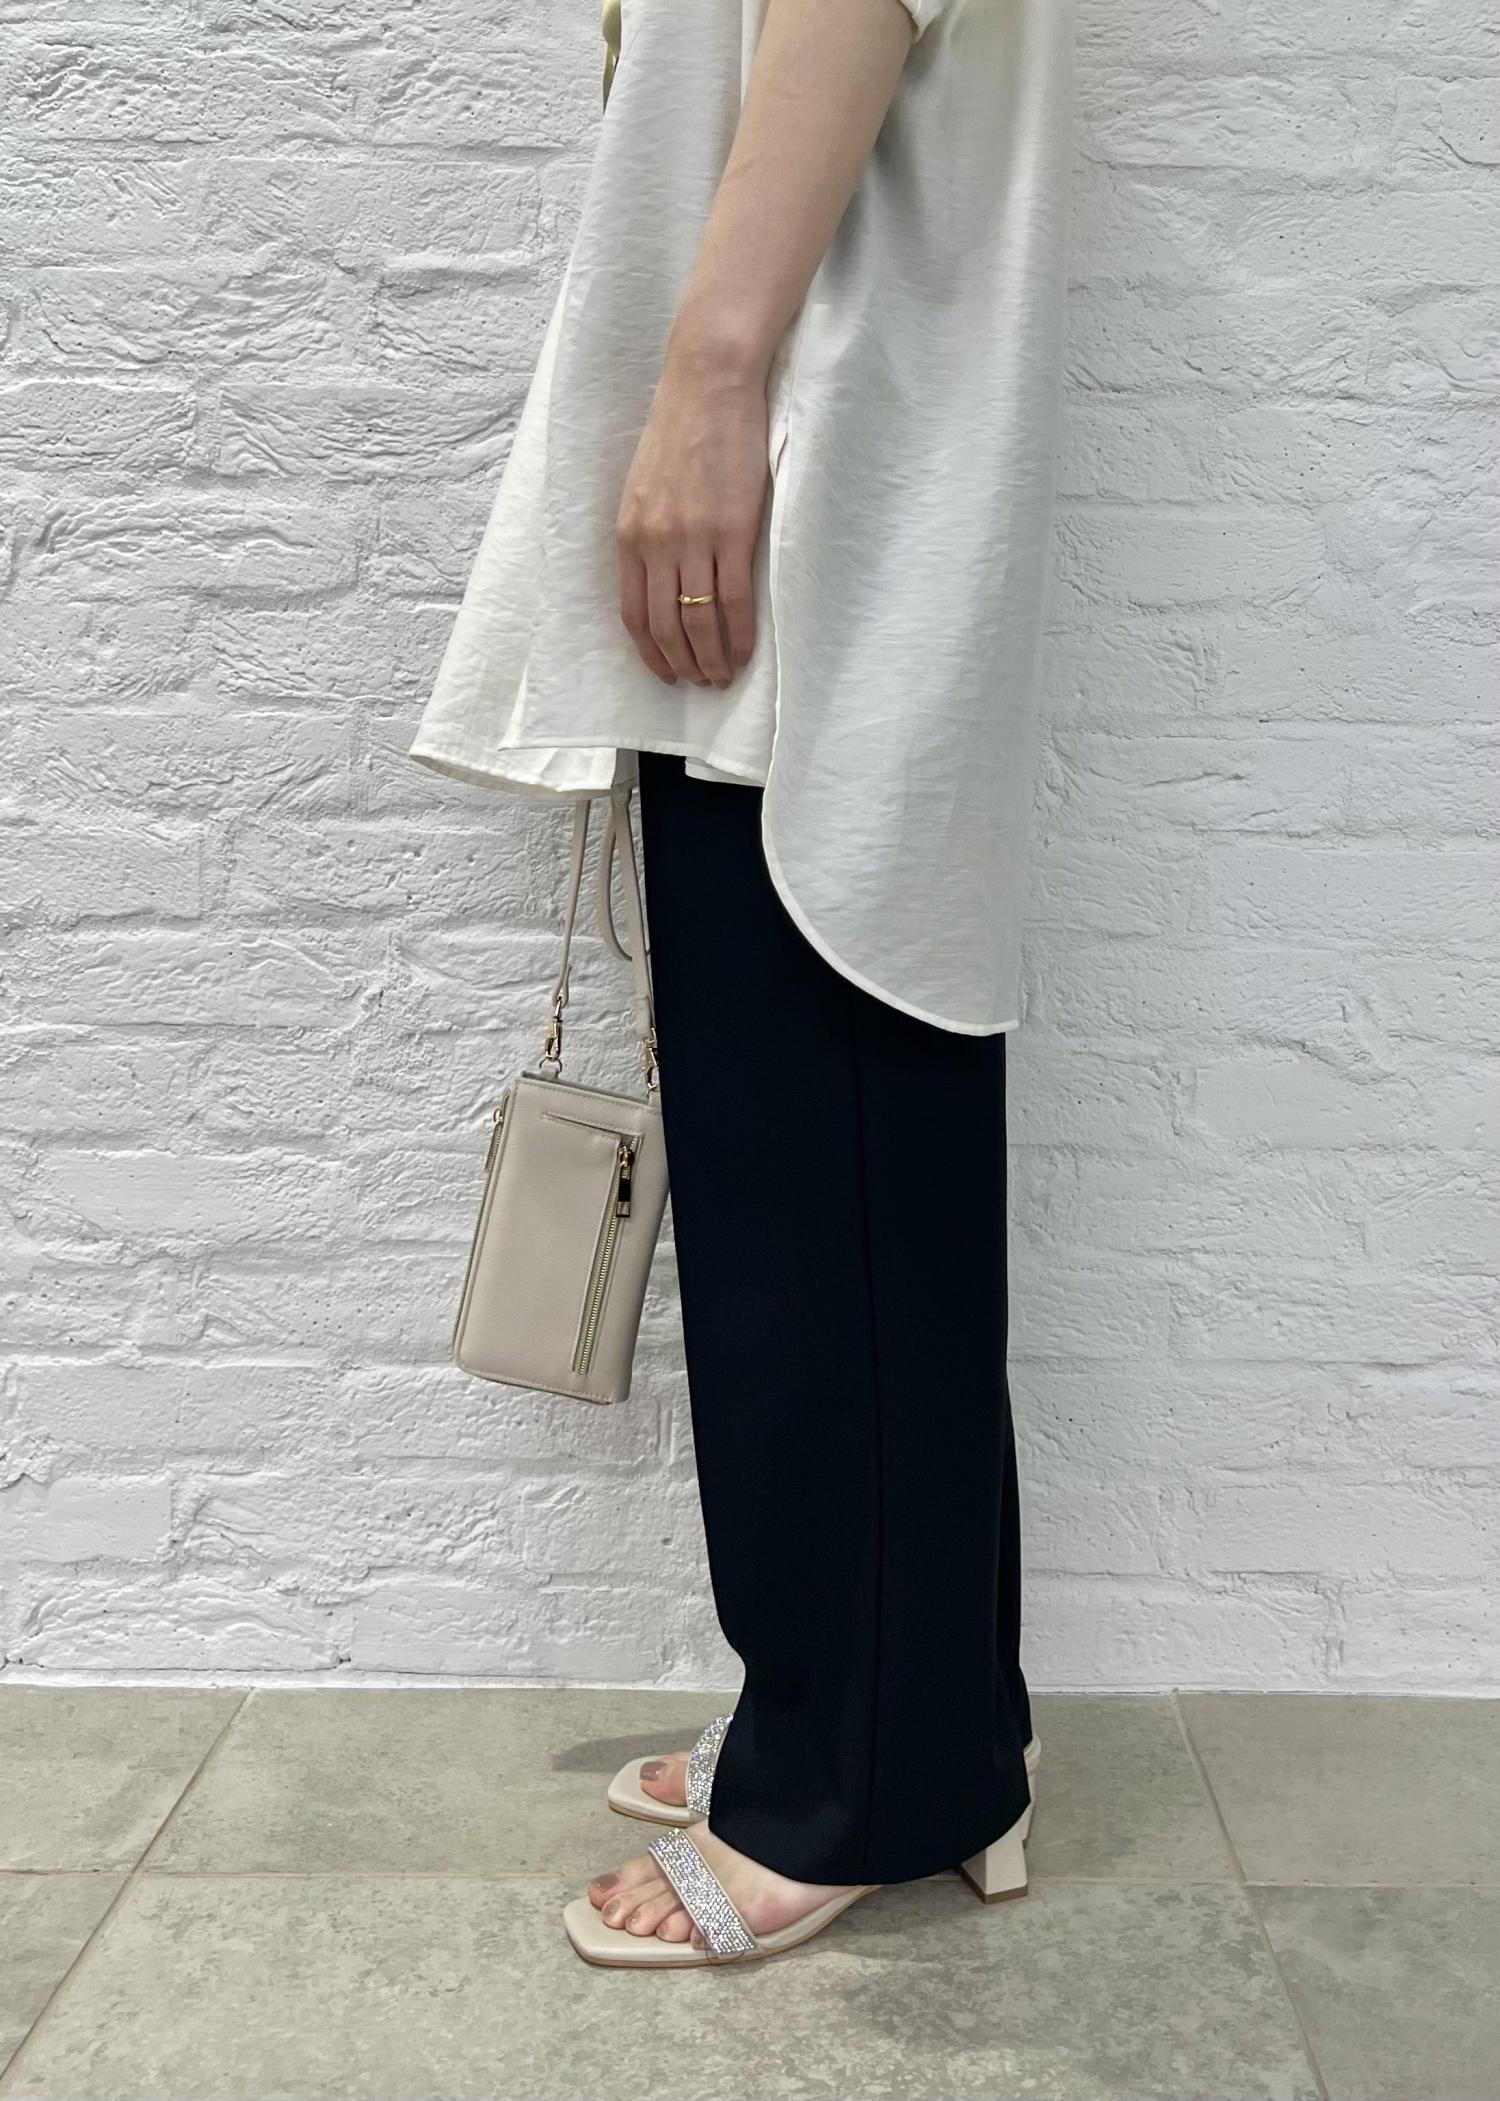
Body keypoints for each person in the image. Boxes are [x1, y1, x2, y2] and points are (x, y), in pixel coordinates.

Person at [409, 0, 1075, 1968]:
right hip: (827, 481)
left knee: (822, 1172)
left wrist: (710, 383)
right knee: (844, 1161)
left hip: (819, 487)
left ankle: (854, 1784)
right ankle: (915, 1726)